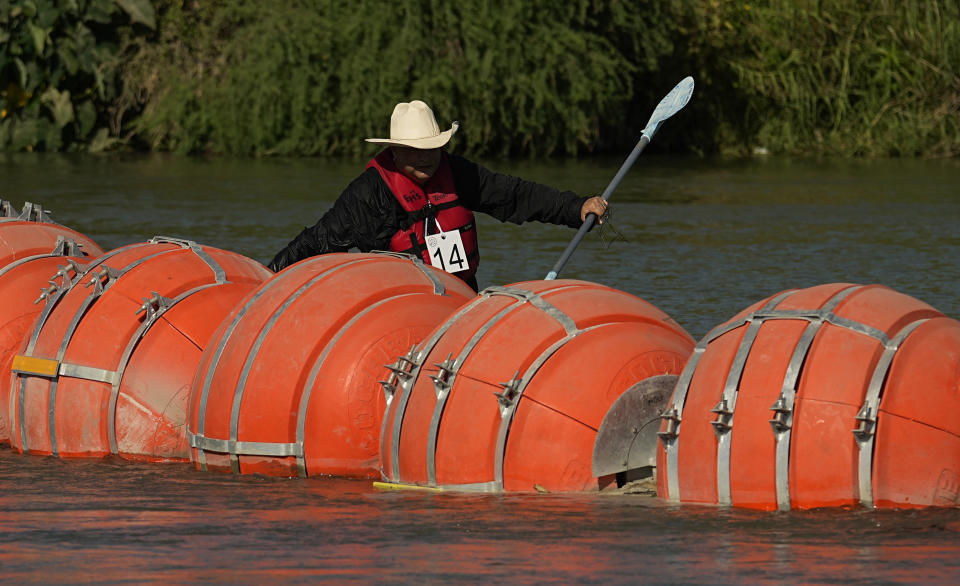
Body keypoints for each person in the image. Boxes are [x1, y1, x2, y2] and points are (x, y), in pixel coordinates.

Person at [268, 100, 608, 291]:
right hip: (402, 307)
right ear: (395, 151)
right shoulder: (369, 193)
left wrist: (575, 207)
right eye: (414, 151)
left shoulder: (456, 172)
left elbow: (516, 196)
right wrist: (266, 281)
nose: (425, 158)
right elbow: (318, 242)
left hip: (461, 299)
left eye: (432, 148)